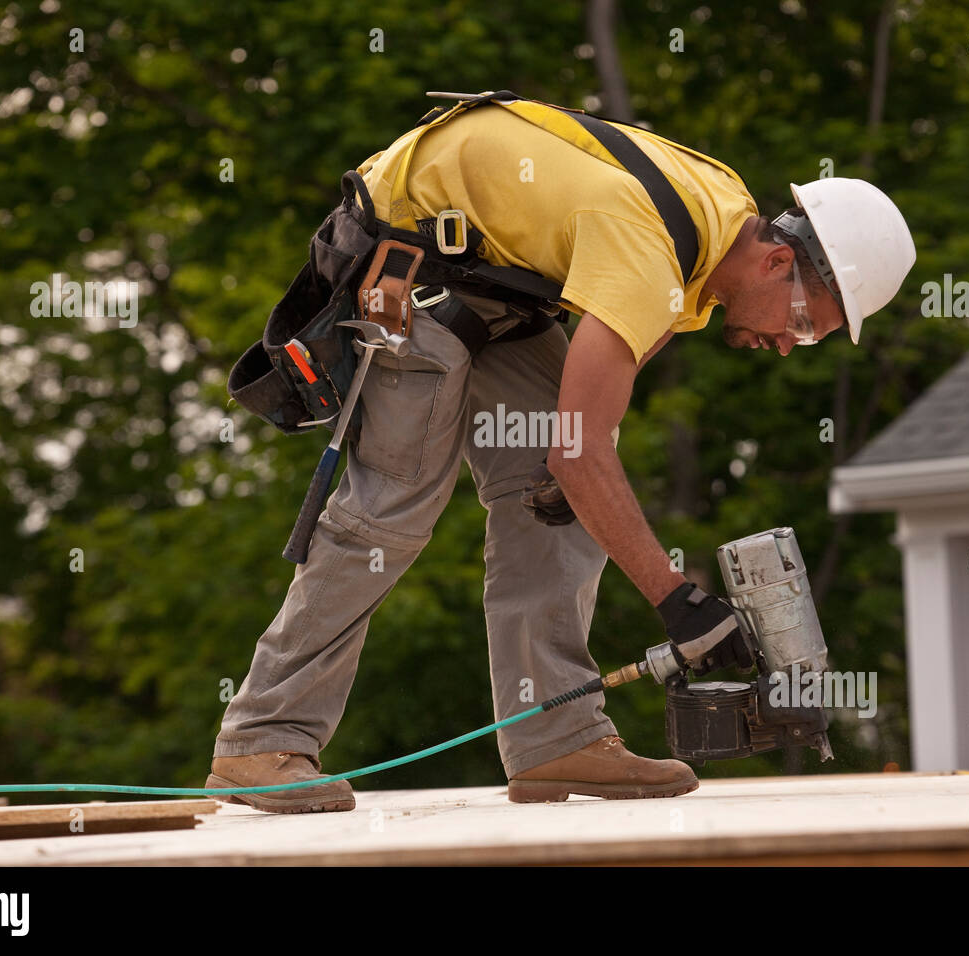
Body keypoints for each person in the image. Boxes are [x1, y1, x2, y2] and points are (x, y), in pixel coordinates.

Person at [207, 96, 915, 812]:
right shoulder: (653, 246)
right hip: (408, 267)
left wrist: (576, 467)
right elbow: (583, 449)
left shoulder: (720, 217)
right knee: (392, 512)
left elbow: (626, 354)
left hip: (490, 283)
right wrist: (678, 601)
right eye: (803, 322)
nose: (791, 344)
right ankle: (261, 737)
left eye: (812, 337)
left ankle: (557, 738)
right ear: (778, 259)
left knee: (563, 504)